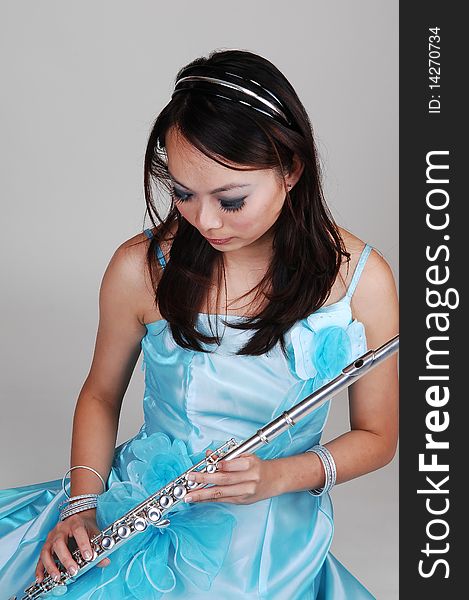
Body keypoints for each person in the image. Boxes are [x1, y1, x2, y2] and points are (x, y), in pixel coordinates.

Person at [0, 49, 398, 599]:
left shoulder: (363, 281)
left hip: (268, 544)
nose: (204, 221)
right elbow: (99, 394)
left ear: (291, 169)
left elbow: (377, 438)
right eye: (183, 194)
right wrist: (83, 505)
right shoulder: (139, 268)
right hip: (141, 505)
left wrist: (278, 476)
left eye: (231, 200)